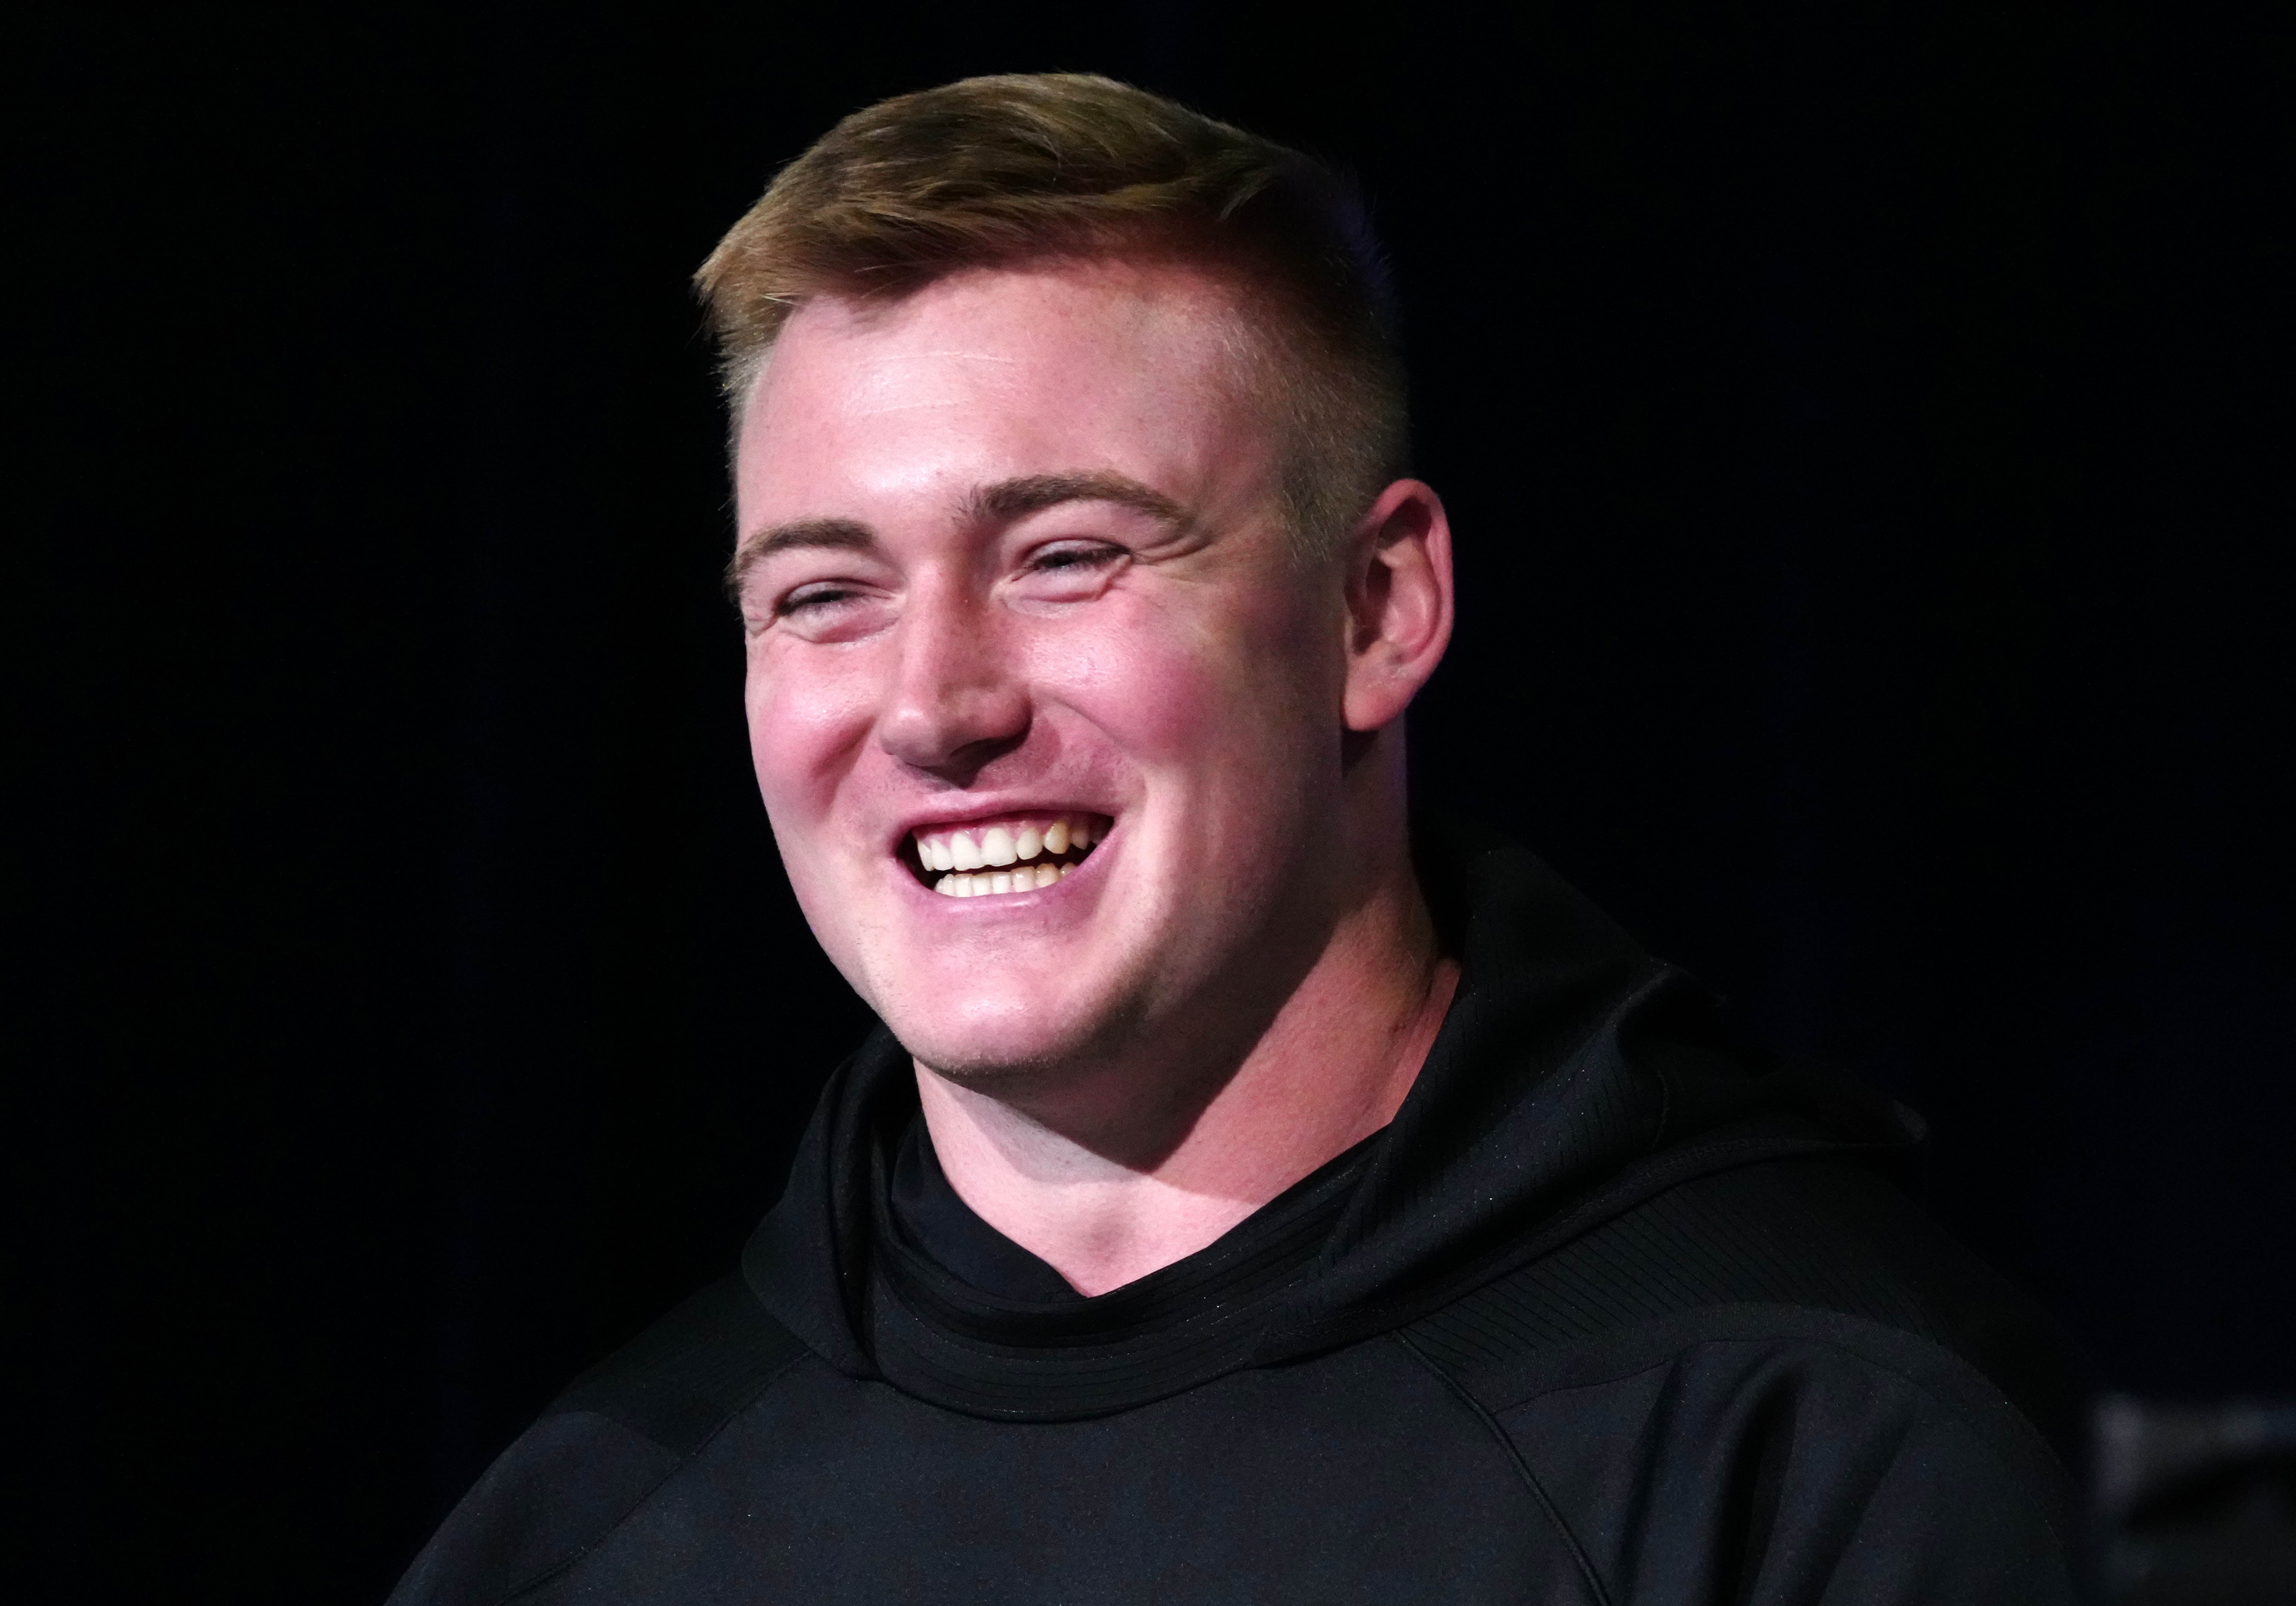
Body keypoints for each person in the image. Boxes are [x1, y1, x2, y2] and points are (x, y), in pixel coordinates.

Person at [391, 73, 2086, 1604]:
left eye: (1066, 556)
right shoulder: (580, 1529)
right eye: (826, 594)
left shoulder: (1821, 1453)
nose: (934, 705)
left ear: (1376, 608)